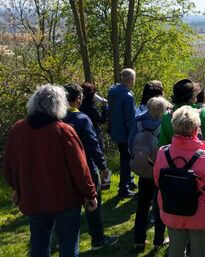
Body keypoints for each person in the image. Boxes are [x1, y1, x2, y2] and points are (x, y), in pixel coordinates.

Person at [3, 84, 97, 257]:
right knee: (68, 246)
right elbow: (80, 168)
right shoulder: (63, 131)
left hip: (34, 199)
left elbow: (8, 167)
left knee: (39, 247)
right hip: (66, 201)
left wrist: (18, 187)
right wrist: (90, 193)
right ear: (59, 105)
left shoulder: (19, 129)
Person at [154, 106, 205, 257]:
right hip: (201, 215)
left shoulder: (163, 152)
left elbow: (157, 181)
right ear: (196, 129)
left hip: (172, 210)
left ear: (174, 127)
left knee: (175, 253)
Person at [62, 83, 118, 250]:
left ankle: (69, 240)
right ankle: (98, 239)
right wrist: (103, 166)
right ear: (78, 99)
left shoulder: (58, 118)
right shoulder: (81, 119)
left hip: (66, 169)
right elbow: (93, 145)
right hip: (87, 166)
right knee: (93, 204)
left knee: (70, 207)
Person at [128, 97, 170, 249]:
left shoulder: (138, 123)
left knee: (142, 205)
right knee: (159, 206)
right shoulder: (164, 125)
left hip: (143, 170)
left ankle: (139, 240)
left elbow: (130, 144)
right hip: (159, 171)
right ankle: (159, 241)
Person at [108, 68, 138, 198]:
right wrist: (134, 136)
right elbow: (130, 120)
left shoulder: (113, 92)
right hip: (126, 133)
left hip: (116, 131)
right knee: (126, 160)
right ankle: (123, 189)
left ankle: (130, 181)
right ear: (132, 80)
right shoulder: (127, 96)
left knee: (124, 158)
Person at [80, 82, 108, 149]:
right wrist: (105, 107)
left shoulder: (80, 104)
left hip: (83, 134)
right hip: (94, 132)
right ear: (92, 94)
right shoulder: (91, 107)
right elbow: (101, 120)